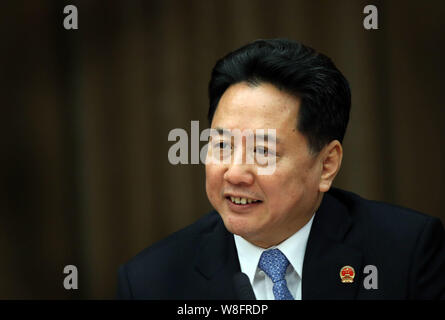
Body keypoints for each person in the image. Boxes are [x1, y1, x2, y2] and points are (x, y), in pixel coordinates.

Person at [116, 39, 445, 300]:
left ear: (327, 164)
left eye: (262, 151)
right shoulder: (151, 282)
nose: (235, 174)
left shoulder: (405, 254)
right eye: (221, 146)